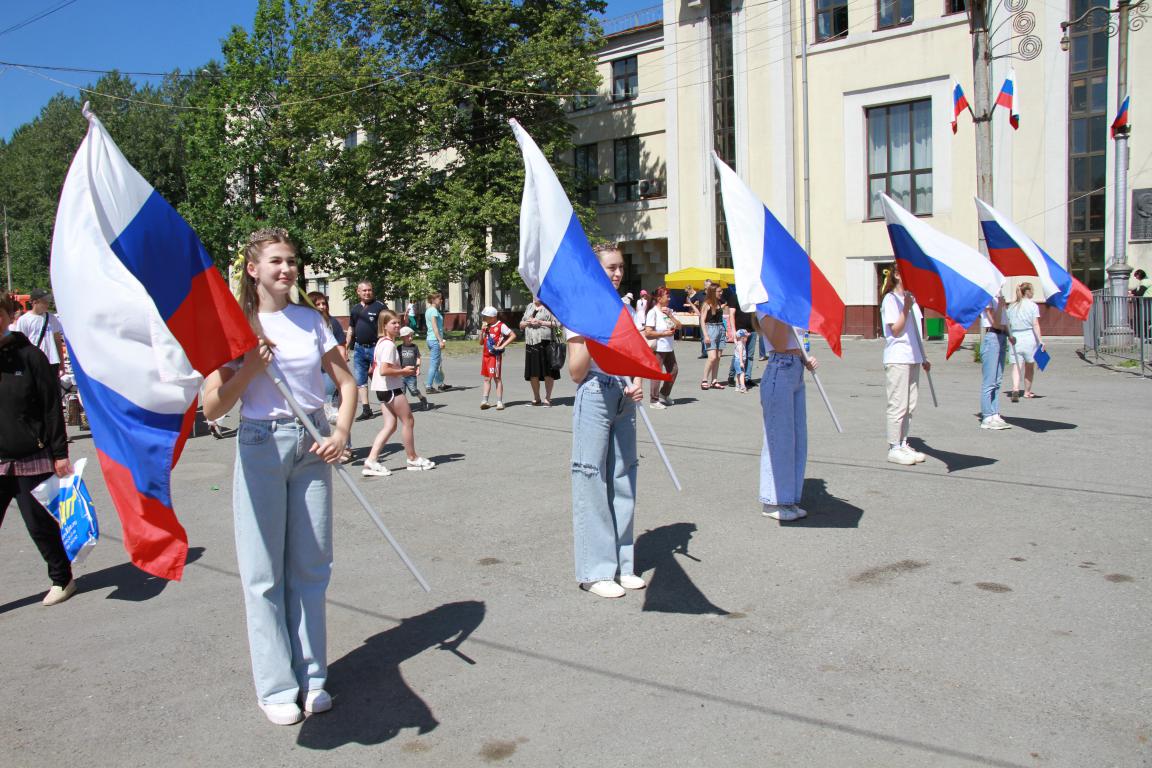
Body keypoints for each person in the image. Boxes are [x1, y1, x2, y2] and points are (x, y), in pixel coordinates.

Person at [201, 228, 358, 726]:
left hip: (313, 445)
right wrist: (249, 367)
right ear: (253, 269)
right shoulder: (235, 325)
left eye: (291, 260)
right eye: (275, 261)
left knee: (312, 568)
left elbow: (347, 383)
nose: (286, 269)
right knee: (264, 573)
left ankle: (313, 678)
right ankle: (276, 686)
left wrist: (341, 431)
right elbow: (212, 406)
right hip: (260, 444)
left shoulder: (311, 320)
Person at [567, 244, 646, 598]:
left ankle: (623, 564)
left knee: (624, 475)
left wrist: (639, 381)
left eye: (620, 268)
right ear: (596, 270)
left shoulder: (625, 307)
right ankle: (597, 571)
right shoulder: (580, 307)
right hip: (595, 393)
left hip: (623, 394)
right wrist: (593, 329)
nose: (617, 273)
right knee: (591, 477)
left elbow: (634, 356)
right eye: (610, 268)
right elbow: (575, 371)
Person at [0, 292, 75, 606]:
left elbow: (50, 407)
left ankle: (62, 579)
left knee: (39, 525)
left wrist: (59, 454)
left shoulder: (29, 356)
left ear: (8, 317)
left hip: (31, 455)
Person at [758, 314, 818, 522]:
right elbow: (781, 344)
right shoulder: (766, 308)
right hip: (779, 369)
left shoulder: (790, 307)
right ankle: (771, 500)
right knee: (779, 439)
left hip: (795, 369)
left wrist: (805, 357)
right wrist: (785, 310)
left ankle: (787, 498)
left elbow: (797, 342)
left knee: (797, 439)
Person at [362, 312, 436, 476]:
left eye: (398, 323)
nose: (397, 326)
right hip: (390, 388)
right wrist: (403, 370)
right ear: (384, 326)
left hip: (383, 389)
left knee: (390, 425)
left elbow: (375, 368)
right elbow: (384, 370)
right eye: (393, 323)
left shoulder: (382, 342)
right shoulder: (388, 345)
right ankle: (412, 458)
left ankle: (371, 460)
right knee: (408, 420)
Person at [880, 269, 931, 465]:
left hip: (913, 357)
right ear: (897, 275)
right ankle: (894, 447)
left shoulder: (911, 299)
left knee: (910, 405)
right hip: (898, 357)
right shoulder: (891, 300)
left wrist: (923, 356)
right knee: (898, 404)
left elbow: (915, 333)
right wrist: (906, 307)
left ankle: (903, 442)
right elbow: (896, 329)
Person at [346, 281, 385, 421]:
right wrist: (345, 347)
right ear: (358, 292)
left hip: (376, 347)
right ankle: (366, 409)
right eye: (364, 290)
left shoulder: (380, 306)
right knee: (360, 379)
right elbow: (351, 329)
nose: (367, 292)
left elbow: (387, 326)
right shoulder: (355, 309)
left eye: (369, 290)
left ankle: (388, 403)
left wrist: (386, 344)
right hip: (359, 348)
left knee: (379, 376)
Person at [643, 286, 681, 408]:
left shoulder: (668, 310)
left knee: (673, 370)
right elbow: (648, 333)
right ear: (659, 298)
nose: (669, 298)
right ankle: (654, 401)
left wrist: (671, 315)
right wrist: (663, 333)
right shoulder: (652, 312)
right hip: (658, 348)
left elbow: (679, 326)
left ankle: (664, 394)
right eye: (667, 295)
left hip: (668, 347)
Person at [15, 289, 65, 377]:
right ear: (35, 302)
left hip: (52, 361)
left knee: (52, 389)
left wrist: (62, 363)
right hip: (34, 362)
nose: (47, 304)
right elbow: (20, 344)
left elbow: (57, 341)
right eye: (44, 301)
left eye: (48, 301)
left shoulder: (52, 318)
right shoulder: (24, 320)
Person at [979, 295, 1012, 430]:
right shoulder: (987, 297)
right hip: (992, 336)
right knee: (989, 381)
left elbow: (1004, 322)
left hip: (1002, 336)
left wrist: (1010, 334)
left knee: (997, 381)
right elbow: (995, 322)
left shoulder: (999, 299)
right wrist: (1000, 305)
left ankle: (995, 413)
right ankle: (987, 416)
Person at [1006, 282, 1043, 402]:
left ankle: (1015, 388)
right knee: (1029, 365)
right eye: (1032, 291)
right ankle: (1027, 391)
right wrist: (1040, 340)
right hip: (1029, 337)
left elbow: (1007, 323)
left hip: (1015, 337)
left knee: (1016, 366)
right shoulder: (1033, 306)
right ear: (1028, 292)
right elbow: (1035, 324)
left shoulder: (1011, 306)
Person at [520, 297, 560, 406]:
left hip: (545, 343)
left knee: (548, 372)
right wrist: (526, 323)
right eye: (533, 294)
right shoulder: (529, 306)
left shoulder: (549, 306)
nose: (534, 297)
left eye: (537, 294)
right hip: (531, 342)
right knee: (533, 372)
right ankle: (536, 398)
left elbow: (557, 323)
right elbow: (521, 324)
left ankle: (548, 398)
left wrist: (541, 322)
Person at [479, 306, 515, 410]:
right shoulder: (486, 327)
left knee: (497, 378)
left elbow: (512, 335)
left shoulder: (500, 325)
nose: (484, 318)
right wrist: (482, 332)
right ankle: (485, 400)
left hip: (495, 356)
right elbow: (481, 342)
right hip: (485, 356)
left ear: (493, 317)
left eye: (486, 316)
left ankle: (499, 401)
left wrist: (502, 346)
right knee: (486, 378)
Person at [698, 283, 727, 389]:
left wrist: (725, 331)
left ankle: (714, 380)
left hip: (720, 328)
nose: (721, 293)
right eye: (719, 291)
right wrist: (705, 335)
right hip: (710, 329)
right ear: (713, 292)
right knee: (712, 357)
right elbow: (702, 320)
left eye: (721, 291)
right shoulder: (707, 303)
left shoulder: (719, 302)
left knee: (718, 357)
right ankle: (704, 379)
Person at [396, 326, 428, 410]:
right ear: (402, 337)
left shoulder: (414, 347)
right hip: (401, 374)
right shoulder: (399, 348)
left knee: (413, 391)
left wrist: (418, 368)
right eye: (408, 336)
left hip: (411, 374)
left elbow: (418, 357)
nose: (410, 338)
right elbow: (396, 360)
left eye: (411, 336)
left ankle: (422, 398)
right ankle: (403, 407)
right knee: (402, 392)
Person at [424, 292, 450, 393]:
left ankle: (440, 384)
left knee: (437, 362)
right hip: (434, 340)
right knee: (434, 364)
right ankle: (429, 386)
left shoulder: (428, 310)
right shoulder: (434, 311)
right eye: (440, 299)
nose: (441, 300)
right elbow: (435, 327)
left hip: (430, 339)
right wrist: (440, 340)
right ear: (434, 300)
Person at [726, 302, 757, 386]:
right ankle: (731, 377)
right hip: (740, 330)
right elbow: (731, 314)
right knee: (738, 355)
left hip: (752, 329)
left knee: (750, 356)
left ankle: (747, 378)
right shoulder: (736, 297)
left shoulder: (753, 297)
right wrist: (733, 330)